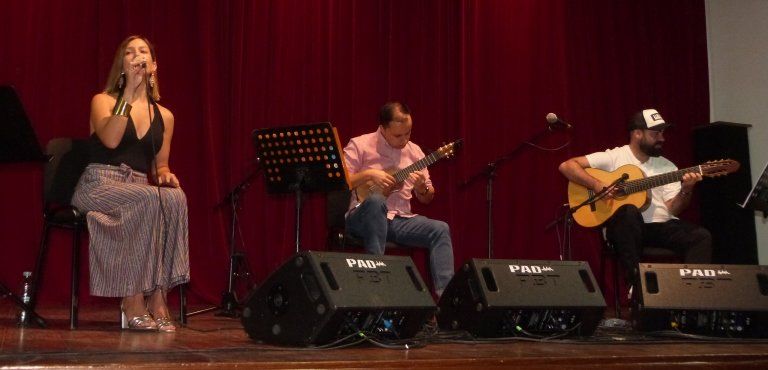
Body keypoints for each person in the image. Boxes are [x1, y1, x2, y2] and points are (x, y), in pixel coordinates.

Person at [71, 35, 189, 332]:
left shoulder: (165, 115)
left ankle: (159, 296)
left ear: (153, 65)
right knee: (149, 199)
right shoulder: (104, 101)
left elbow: (159, 165)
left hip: (137, 187)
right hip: (99, 184)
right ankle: (132, 298)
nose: (137, 56)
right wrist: (128, 93)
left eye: (143, 51)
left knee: (176, 197)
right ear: (122, 66)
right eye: (129, 52)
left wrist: (164, 174)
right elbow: (110, 140)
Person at [558, 108, 712, 285]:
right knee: (629, 212)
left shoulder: (668, 166)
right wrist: (596, 184)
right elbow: (567, 166)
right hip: (624, 229)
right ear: (637, 133)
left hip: (658, 228)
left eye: (662, 133)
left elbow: (673, 209)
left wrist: (686, 190)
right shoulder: (615, 157)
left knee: (701, 236)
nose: (662, 138)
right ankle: (637, 287)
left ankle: (694, 294)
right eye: (655, 133)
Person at [343, 102, 454, 297]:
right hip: (362, 216)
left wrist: (423, 188)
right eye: (398, 135)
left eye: (408, 133)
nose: (404, 140)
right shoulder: (360, 145)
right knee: (377, 202)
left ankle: (446, 298)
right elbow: (342, 180)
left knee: (440, 229)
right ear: (383, 129)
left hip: (399, 220)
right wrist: (369, 174)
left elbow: (427, 197)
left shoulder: (415, 153)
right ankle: (376, 283)